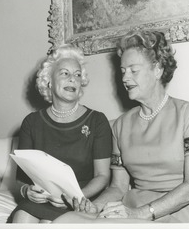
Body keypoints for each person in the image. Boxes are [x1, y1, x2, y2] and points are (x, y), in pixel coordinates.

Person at [53, 30, 189, 223]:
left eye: (133, 70)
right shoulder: (120, 125)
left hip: (180, 210)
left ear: (158, 69)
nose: (125, 78)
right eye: (123, 71)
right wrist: (94, 207)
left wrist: (142, 213)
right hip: (133, 206)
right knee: (66, 221)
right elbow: (118, 188)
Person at [8, 44, 112, 223]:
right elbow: (21, 179)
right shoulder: (31, 122)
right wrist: (27, 191)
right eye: (64, 73)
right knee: (22, 218)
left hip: (81, 201)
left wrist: (74, 198)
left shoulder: (97, 121)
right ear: (49, 80)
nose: (73, 79)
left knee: (49, 223)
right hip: (43, 200)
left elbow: (102, 176)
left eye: (77, 75)